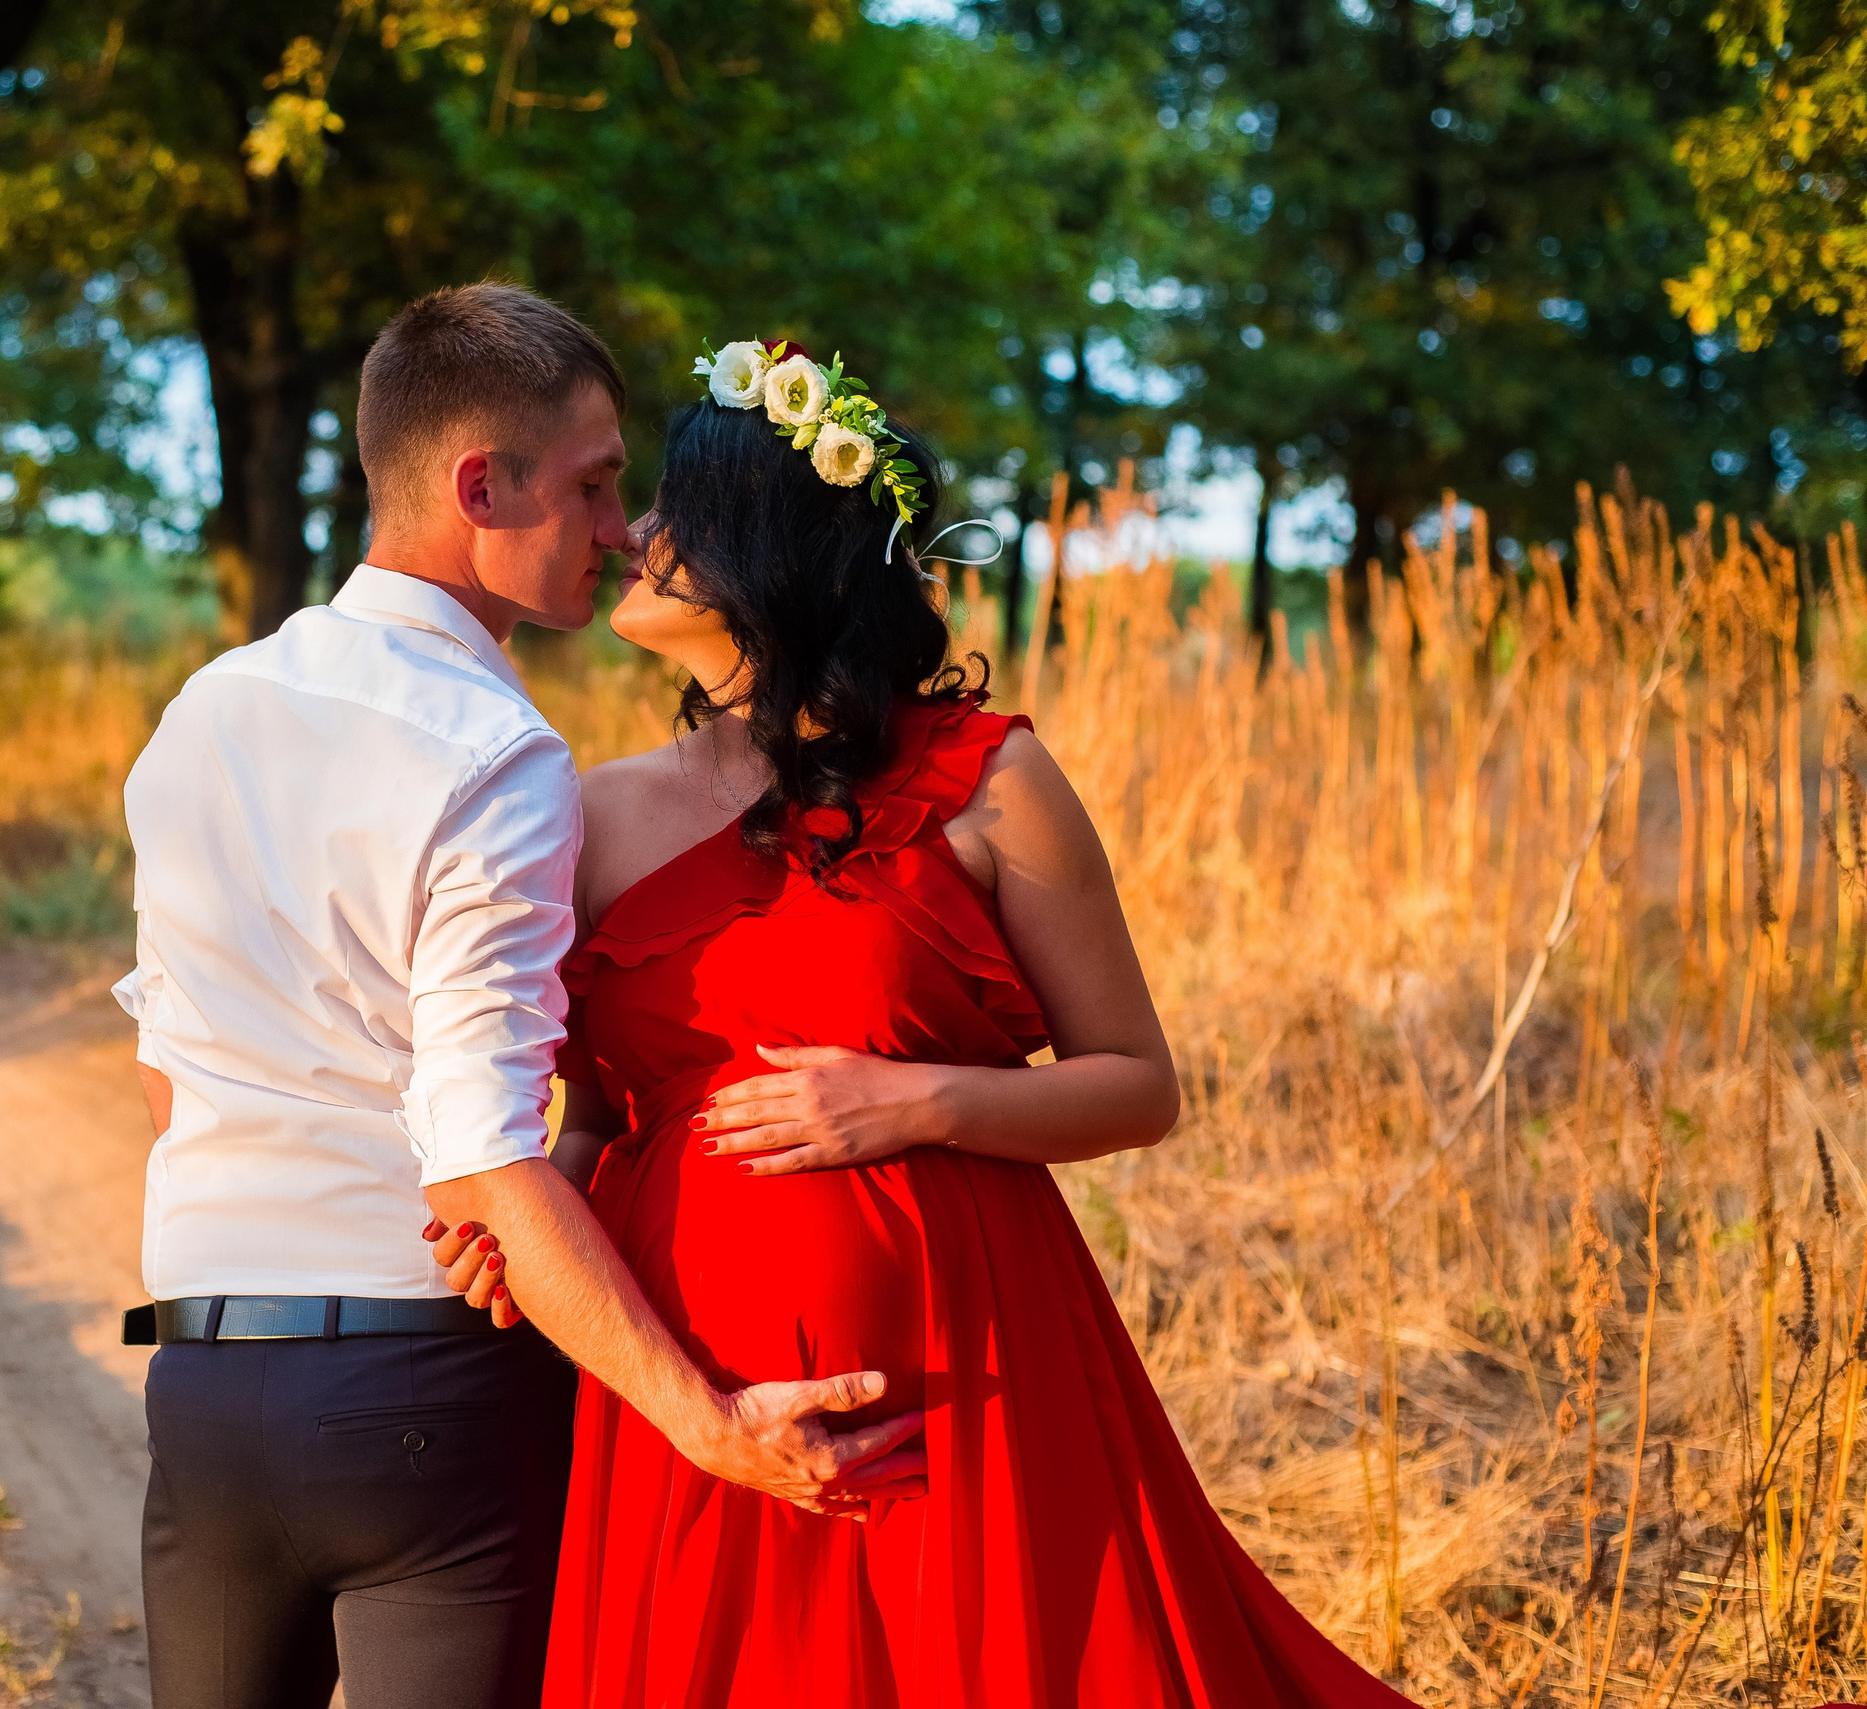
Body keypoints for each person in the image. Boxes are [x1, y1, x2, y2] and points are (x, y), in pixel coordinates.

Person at [429, 338, 1417, 1705]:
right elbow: (593, 1120)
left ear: (768, 546)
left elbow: (1138, 1084)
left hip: (959, 1370)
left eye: (673, 509)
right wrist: (527, 1241)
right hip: (694, 1384)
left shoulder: (989, 780)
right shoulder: (590, 813)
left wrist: (917, 1099)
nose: (634, 534)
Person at [111, 290, 924, 1709]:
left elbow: (165, 1075)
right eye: (595, 484)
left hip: (206, 1380)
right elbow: (480, 1150)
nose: (620, 527)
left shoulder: (204, 712)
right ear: (481, 485)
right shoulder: (495, 752)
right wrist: (709, 1422)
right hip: (424, 1396)